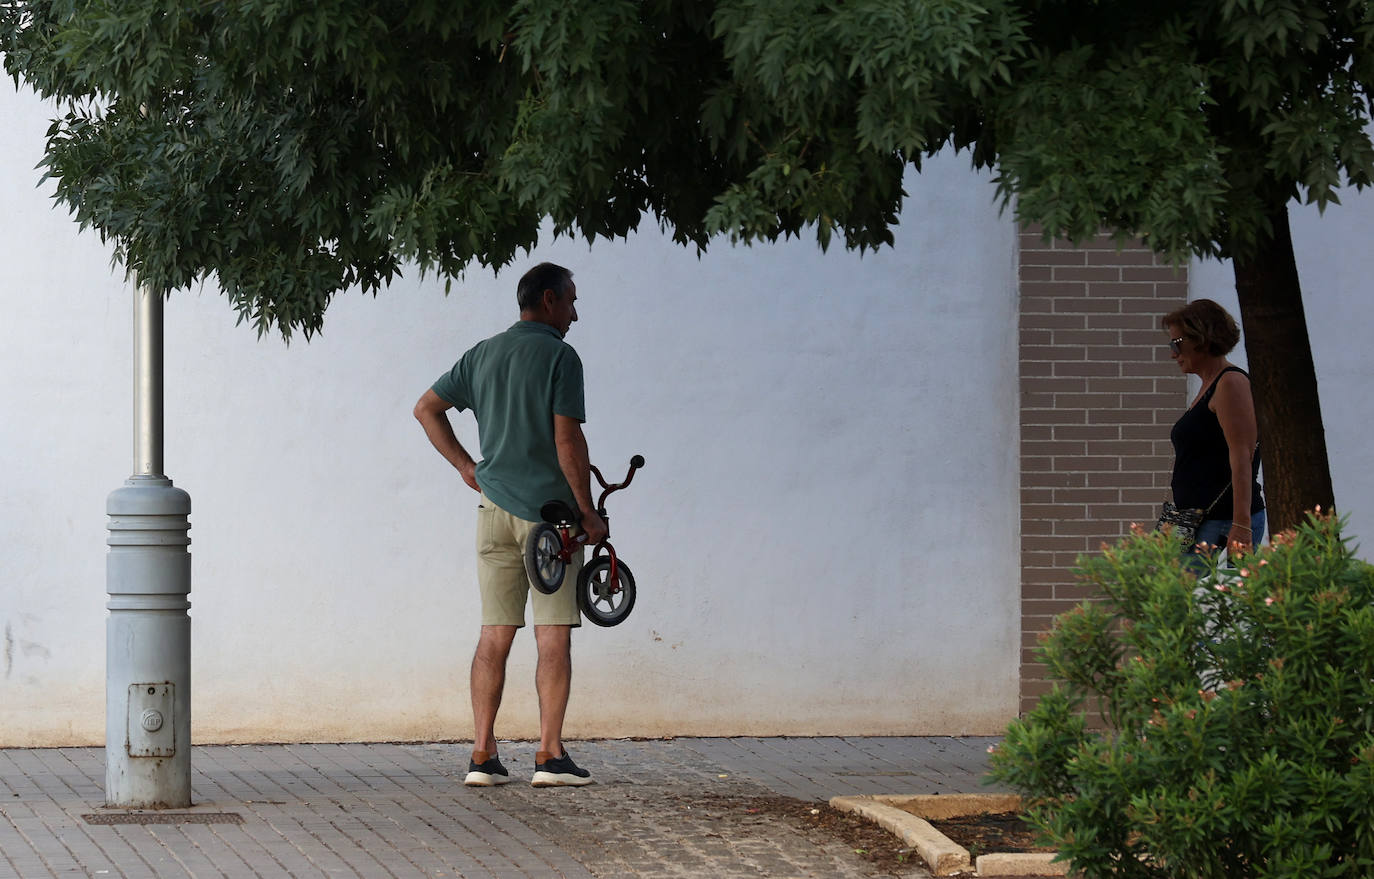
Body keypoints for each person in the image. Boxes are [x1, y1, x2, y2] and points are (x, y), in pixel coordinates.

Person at [414, 262, 608, 788]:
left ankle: (482, 755)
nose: (575, 312)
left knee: (493, 635)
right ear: (548, 300)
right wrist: (589, 513)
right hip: (551, 525)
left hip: (493, 513)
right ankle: (549, 756)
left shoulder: (483, 354)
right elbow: (568, 442)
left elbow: (426, 408)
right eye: (571, 300)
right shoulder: (561, 357)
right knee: (553, 637)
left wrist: (466, 467)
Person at [1163, 299, 1266, 558]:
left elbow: (1243, 455)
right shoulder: (1209, 386)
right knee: (1173, 592)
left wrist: (1241, 524)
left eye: (1177, 343)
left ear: (1202, 339)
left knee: (1179, 595)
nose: (1173, 353)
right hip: (1195, 521)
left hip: (1221, 521)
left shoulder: (1230, 382)